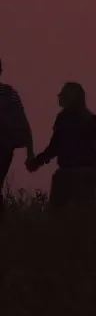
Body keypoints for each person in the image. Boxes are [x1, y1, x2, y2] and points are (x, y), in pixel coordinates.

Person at [26, 81, 96, 210]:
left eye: (63, 94)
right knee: (83, 217)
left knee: (58, 217)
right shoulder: (91, 119)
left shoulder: (63, 119)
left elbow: (53, 148)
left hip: (66, 175)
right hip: (87, 174)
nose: (59, 96)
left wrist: (35, 163)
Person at [0, 58, 35, 220]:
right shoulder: (9, 93)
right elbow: (22, 121)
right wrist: (30, 151)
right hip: (5, 148)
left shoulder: (8, 93)